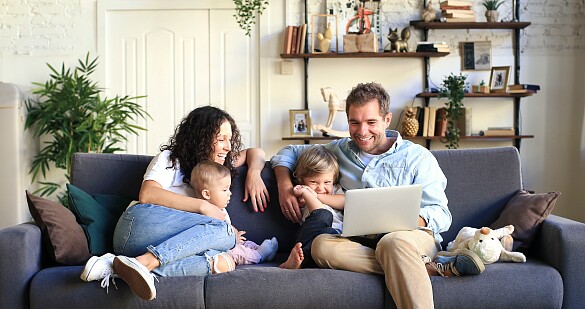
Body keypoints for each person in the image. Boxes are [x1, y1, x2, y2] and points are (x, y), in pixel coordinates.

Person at [271, 82, 485, 309]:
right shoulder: (339, 150)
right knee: (321, 246)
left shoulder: (417, 158)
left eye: (371, 122)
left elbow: (441, 214)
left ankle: (410, 258)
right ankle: (422, 266)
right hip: (358, 242)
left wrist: (403, 220)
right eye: (354, 122)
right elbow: (289, 152)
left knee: (392, 242)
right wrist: (284, 185)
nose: (362, 132)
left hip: (410, 239)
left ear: (387, 119)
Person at [80, 106, 270, 301]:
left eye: (230, 139)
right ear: (201, 138)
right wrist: (203, 207)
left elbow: (255, 152)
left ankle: (118, 267)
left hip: (159, 247)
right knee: (226, 231)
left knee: (224, 261)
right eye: (221, 139)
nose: (228, 147)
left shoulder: (219, 167)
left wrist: (254, 173)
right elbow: (148, 193)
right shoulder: (171, 160)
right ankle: (145, 262)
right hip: (138, 227)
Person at [190, 160, 278, 266]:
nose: (230, 193)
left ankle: (265, 251)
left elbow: (226, 225)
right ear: (207, 194)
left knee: (246, 244)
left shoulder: (220, 209)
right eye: (224, 190)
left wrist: (235, 233)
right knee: (239, 252)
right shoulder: (204, 213)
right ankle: (260, 255)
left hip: (230, 242)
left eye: (229, 189)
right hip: (220, 249)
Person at [276, 145, 344, 269]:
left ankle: (303, 263)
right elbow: (319, 212)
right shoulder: (301, 193)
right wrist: (307, 194)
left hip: (338, 239)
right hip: (312, 239)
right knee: (324, 217)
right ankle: (297, 262)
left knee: (331, 234)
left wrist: (315, 195)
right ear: (301, 179)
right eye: (313, 182)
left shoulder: (335, 190)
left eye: (327, 182)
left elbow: (344, 201)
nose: (321, 187)